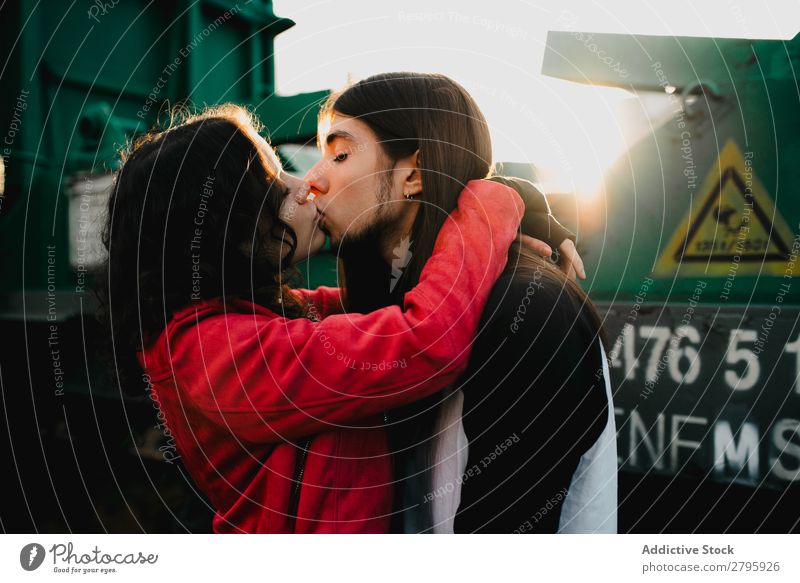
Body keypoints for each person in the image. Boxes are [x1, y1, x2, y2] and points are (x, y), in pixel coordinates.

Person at [99, 103, 557, 533]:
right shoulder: (226, 357)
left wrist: (509, 236)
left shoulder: (246, 320)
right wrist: (486, 205)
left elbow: (389, 301)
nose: (307, 186)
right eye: (277, 185)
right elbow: (425, 339)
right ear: (226, 225)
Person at [301, 72, 617, 533]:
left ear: (414, 174)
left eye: (340, 154)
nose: (313, 179)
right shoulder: (395, 302)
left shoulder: (527, 312)